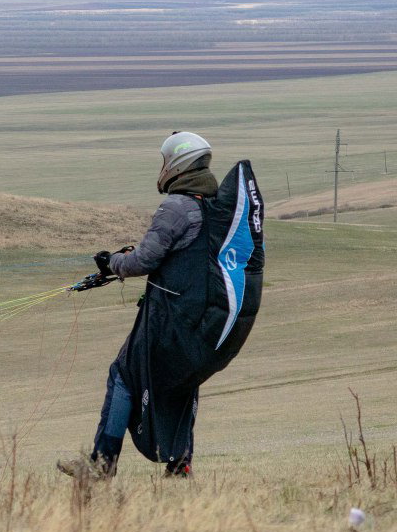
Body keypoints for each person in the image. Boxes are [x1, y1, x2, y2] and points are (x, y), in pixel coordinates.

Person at [59, 131, 265, 479]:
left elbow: (145, 260)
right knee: (181, 384)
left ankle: (100, 466)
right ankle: (180, 466)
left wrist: (111, 263)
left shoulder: (177, 206)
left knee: (123, 375)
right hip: (200, 326)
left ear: (176, 163)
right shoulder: (211, 206)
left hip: (173, 325)